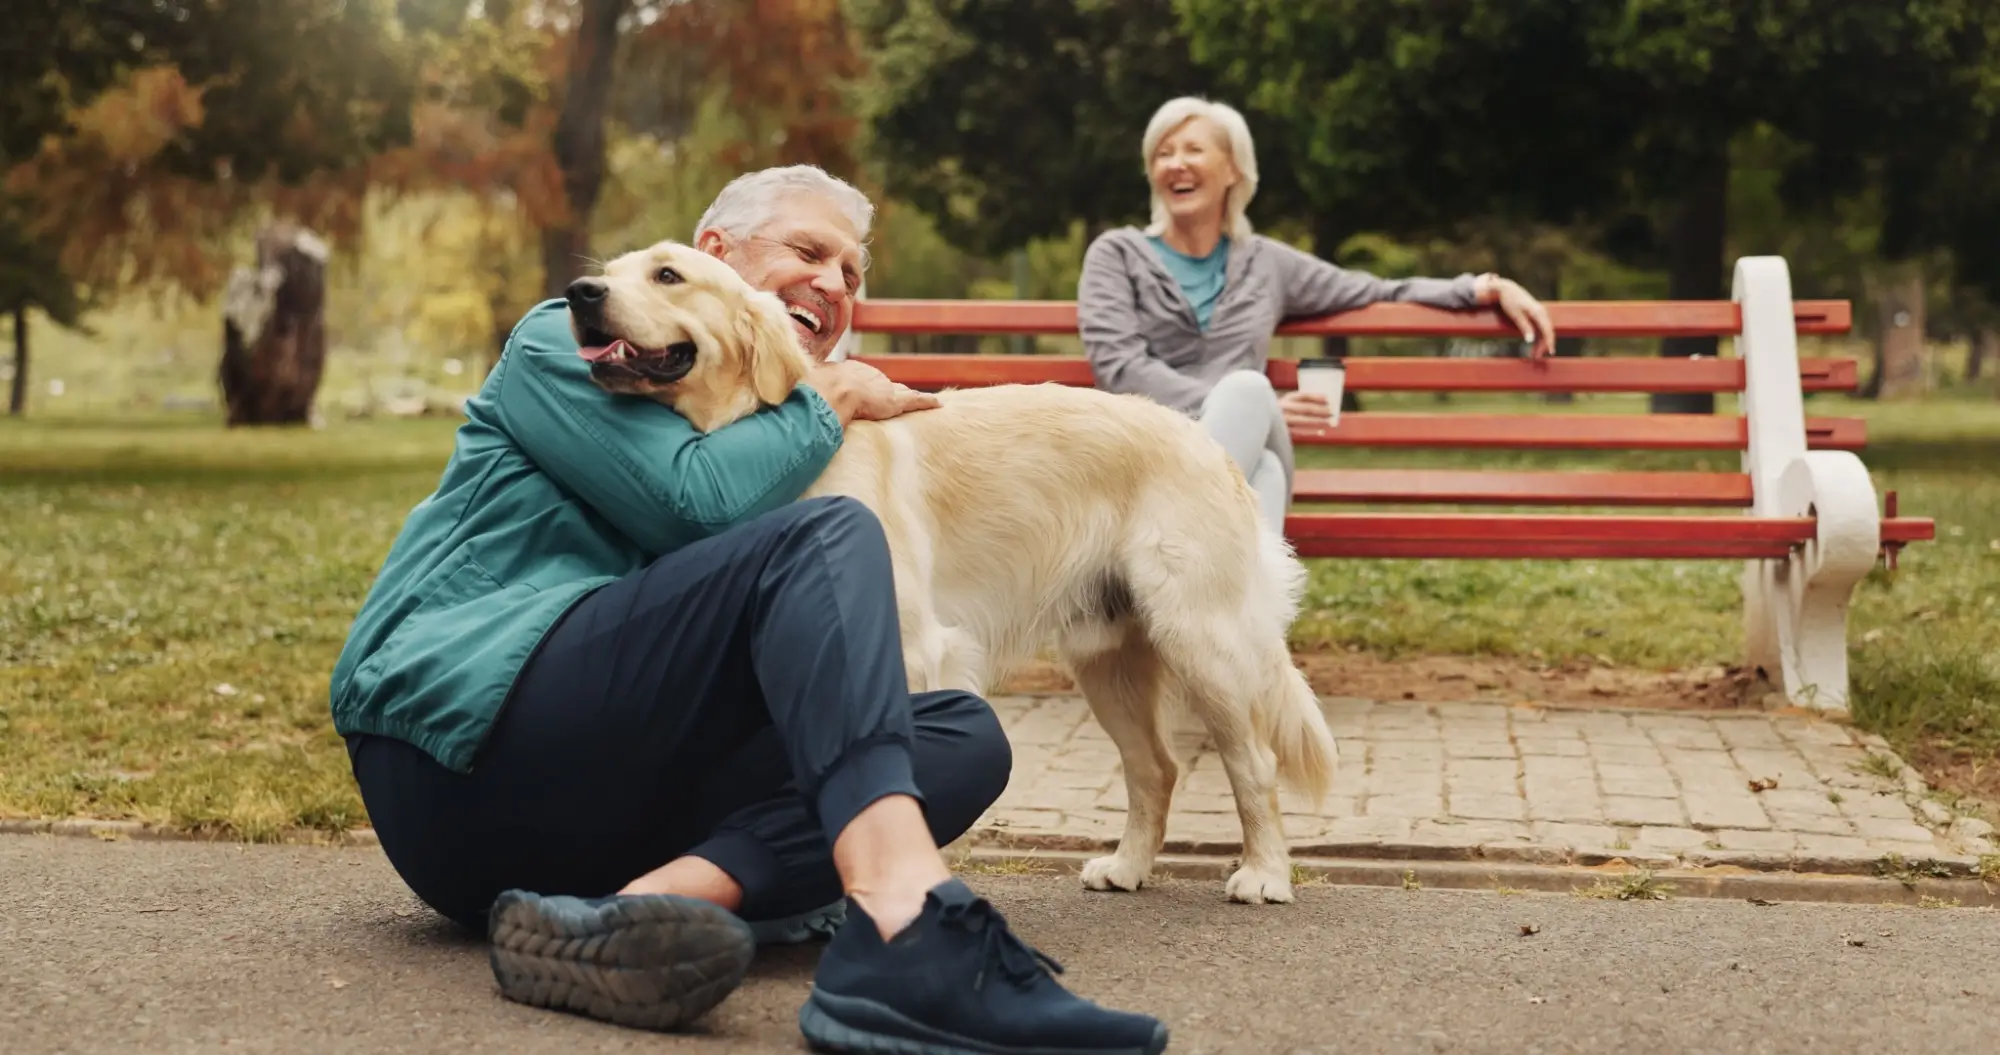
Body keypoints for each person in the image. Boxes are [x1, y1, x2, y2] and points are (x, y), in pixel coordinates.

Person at [329, 164, 1168, 1054]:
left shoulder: (764, 431)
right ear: (715, 253)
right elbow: (688, 504)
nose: (832, 284)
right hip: (455, 755)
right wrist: (828, 398)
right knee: (826, 535)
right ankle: (908, 927)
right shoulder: (571, 338)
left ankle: (643, 912)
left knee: (960, 734)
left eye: (852, 272)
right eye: (808, 250)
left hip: (596, 823)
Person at [1078, 96, 1558, 531]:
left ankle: (1164, 557)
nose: (1176, 164)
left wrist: (1483, 287)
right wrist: (1240, 411)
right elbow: (1121, 369)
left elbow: (1375, 289)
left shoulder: (1266, 262)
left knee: (1248, 394)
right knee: (1259, 458)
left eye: (1192, 149)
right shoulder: (1117, 254)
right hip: (1149, 453)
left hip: (1179, 495)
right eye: (1162, 154)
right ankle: (1242, 624)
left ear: (1233, 170)